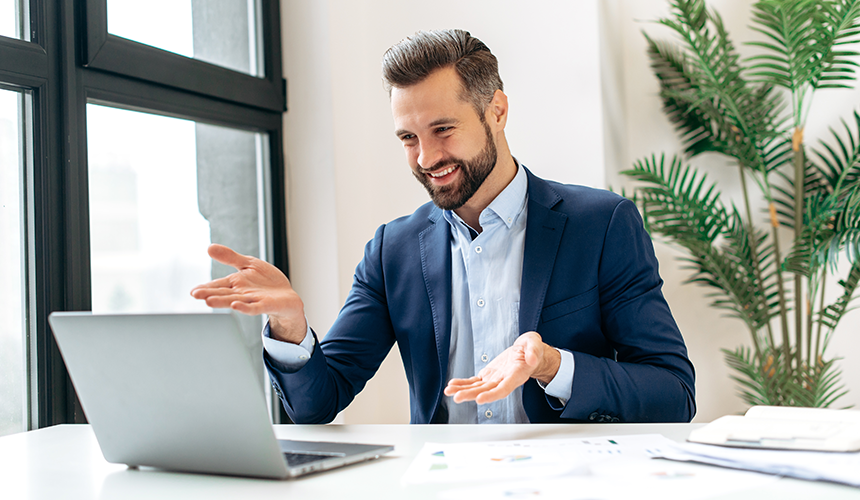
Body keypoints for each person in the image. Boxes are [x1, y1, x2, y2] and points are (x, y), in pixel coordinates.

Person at [191, 29, 695, 424]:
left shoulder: (601, 225)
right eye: (408, 137)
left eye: (443, 129)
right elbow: (318, 403)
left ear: (496, 110)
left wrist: (552, 365)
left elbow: (673, 393)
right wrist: (291, 327)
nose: (426, 157)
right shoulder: (394, 249)